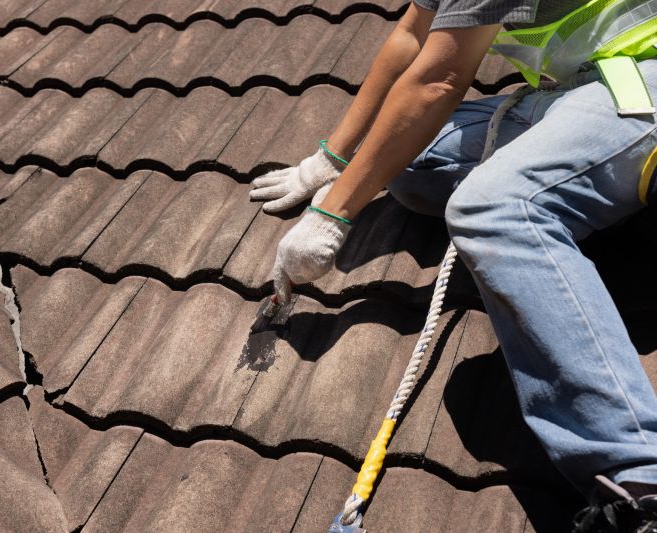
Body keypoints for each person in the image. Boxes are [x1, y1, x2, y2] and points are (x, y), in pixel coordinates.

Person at [249, 1, 657, 531]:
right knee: (411, 158)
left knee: (495, 206)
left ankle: (635, 479)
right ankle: (604, 191)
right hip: (577, 94)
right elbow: (412, 40)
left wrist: (332, 216)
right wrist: (333, 160)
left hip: (639, 84)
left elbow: (439, 78)